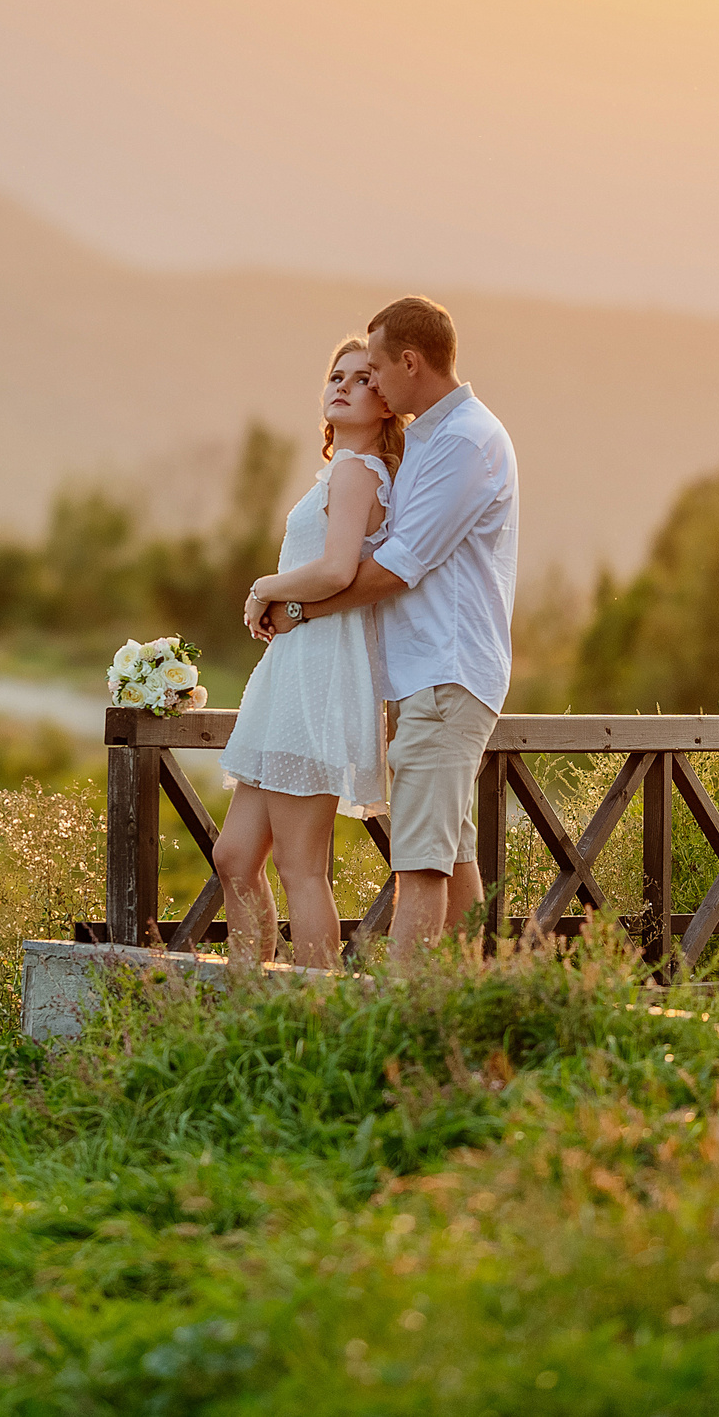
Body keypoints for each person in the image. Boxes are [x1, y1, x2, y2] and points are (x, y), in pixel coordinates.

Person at [251, 296, 518, 965]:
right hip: (421, 679)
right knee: (450, 855)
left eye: (374, 369)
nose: (369, 381)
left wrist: (300, 608)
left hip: (446, 673)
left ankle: (399, 1021)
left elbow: (398, 567)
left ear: (410, 361)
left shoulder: (466, 441)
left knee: (420, 863)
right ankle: (461, 1006)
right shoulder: (430, 435)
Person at [209, 336, 405, 970]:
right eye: (335, 375)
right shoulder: (340, 471)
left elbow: (335, 570)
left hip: (320, 675)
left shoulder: (357, 472)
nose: (342, 385)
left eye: (361, 378)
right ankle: (251, 994)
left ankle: (312, 1013)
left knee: (299, 864)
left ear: (386, 402)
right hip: (293, 669)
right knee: (236, 857)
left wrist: (267, 587)